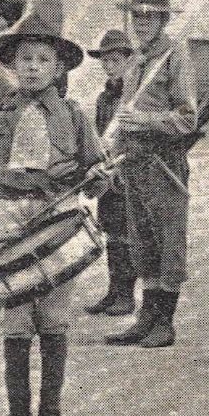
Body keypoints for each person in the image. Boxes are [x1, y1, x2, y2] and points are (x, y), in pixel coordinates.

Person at [0, 11, 109, 416]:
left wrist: (99, 176)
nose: (32, 67)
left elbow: (96, 175)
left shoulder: (75, 117)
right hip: (8, 220)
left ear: (58, 67)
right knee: (16, 317)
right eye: (25, 59)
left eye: (43, 59)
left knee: (53, 316)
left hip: (57, 220)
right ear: (13, 65)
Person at [105, 0, 198, 350]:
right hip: (135, 164)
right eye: (137, 16)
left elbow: (187, 118)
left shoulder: (176, 56)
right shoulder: (135, 60)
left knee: (168, 243)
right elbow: (123, 115)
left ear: (162, 19)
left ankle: (166, 322)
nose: (142, 22)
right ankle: (146, 317)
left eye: (150, 16)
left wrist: (145, 121)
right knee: (141, 243)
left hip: (165, 163)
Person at [84, 29, 137, 317]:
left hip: (126, 172)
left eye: (116, 60)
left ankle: (126, 295)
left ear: (129, 61)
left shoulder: (134, 95)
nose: (110, 66)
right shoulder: (105, 96)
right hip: (108, 171)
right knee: (111, 231)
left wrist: (119, 165)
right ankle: (113, 290)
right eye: (106, 61)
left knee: (126, 233)